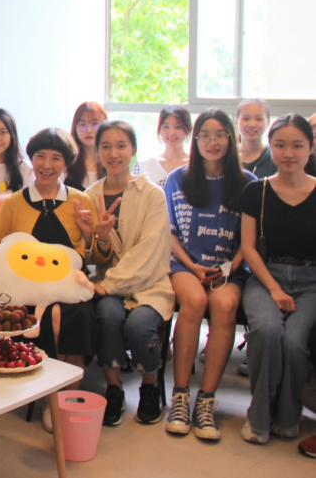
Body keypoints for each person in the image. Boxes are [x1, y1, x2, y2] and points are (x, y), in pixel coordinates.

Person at [0, 128, 97, 431]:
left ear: (66, 163)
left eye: (56, 158)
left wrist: (88, 232)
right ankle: (50, 396)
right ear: (31, 159)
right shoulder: (14, 202)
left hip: (68, 288)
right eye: (40, 156)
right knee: (43, 315)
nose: (47, 164)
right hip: (25, 290)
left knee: (74, 313)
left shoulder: (81, 200)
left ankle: (66, 391)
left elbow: (92, 256)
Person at [164, 109, 256, 441]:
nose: (212, 142)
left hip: (231, 268)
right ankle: (180, 396)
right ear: (196, 139)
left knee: (225, 305)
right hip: (186, 265)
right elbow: (169, 234)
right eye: (205, 135)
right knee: (193, 300)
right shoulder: (178, 179)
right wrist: (193, 266)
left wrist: (230, 268)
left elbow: (250, 240)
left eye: (219, 135)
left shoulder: (247, 182)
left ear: (231, 138)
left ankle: (206, 400)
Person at [86, 120, 174, 426]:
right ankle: (114, 388)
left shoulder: (152, 194)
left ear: (134, 149)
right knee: (107, 316)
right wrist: (101, 239)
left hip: (149, 283)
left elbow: (150, 251)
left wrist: (109, 284)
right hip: (108, 284)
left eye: (121, 146)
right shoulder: (90, 196)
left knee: (139, 325)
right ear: (97, 152)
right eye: (106, 147)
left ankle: (149, 387)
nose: (114, 153)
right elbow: (92, 255)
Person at [236, 114, 316, 446]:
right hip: (265, 277)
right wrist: (274, 288)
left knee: (295, 341)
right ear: (271, 146)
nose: (289, 153)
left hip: (311, 282)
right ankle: (259, 419)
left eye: (297, 145)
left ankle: (288, 415)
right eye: (280, 145)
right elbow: (248, 248)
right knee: (266, 332)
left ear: (310, 148)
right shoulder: (257, 190)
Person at [132, 105, 192, 187]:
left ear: (188, 129)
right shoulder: (144, 165)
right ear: (160, 129)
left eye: (178, 127)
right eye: (166, 127)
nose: (171, 133)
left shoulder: (196, 164)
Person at [64, 101, 108, 191]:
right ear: (75, 128)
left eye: (95, 124)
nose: (88, 130)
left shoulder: (111, 161)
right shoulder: (66, 162)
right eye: (83, 125)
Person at [236, 98, 278, 179]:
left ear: (268, 122)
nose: (252, 125)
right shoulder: (228, 156)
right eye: (246, 118)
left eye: (259, 119)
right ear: (236, 121)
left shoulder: (275, 157)